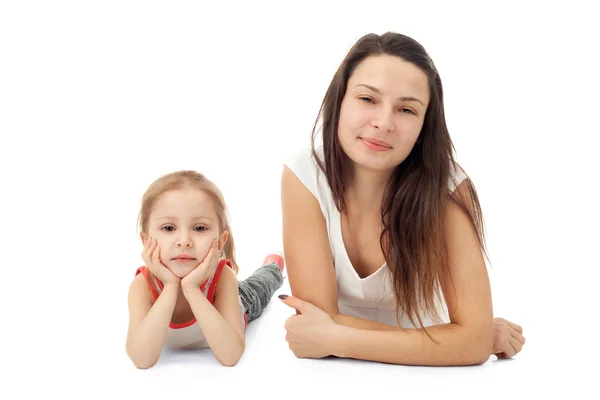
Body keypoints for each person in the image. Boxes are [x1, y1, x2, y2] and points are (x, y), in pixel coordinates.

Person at [279, 32, 526, 366]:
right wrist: (455, 339)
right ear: (339, 101)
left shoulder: (448, 189)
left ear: (425, 125)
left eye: (406, 109)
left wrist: (336, 338)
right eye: (367, 99)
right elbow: (315, 319)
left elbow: (323, 330)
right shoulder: (306, 174)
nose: (383, 123)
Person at [125, 170, 285, 369]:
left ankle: (272, 267)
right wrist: (171, 286)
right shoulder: (142, 285)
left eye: (199, 228)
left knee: (261, 286)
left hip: (238, 299)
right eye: (168, 228)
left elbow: (230, 356)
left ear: (220, 242)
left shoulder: (223, 277)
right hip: (178, 286)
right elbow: (141, 360)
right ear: (146, 241)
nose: (184, 241)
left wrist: (191, 288)